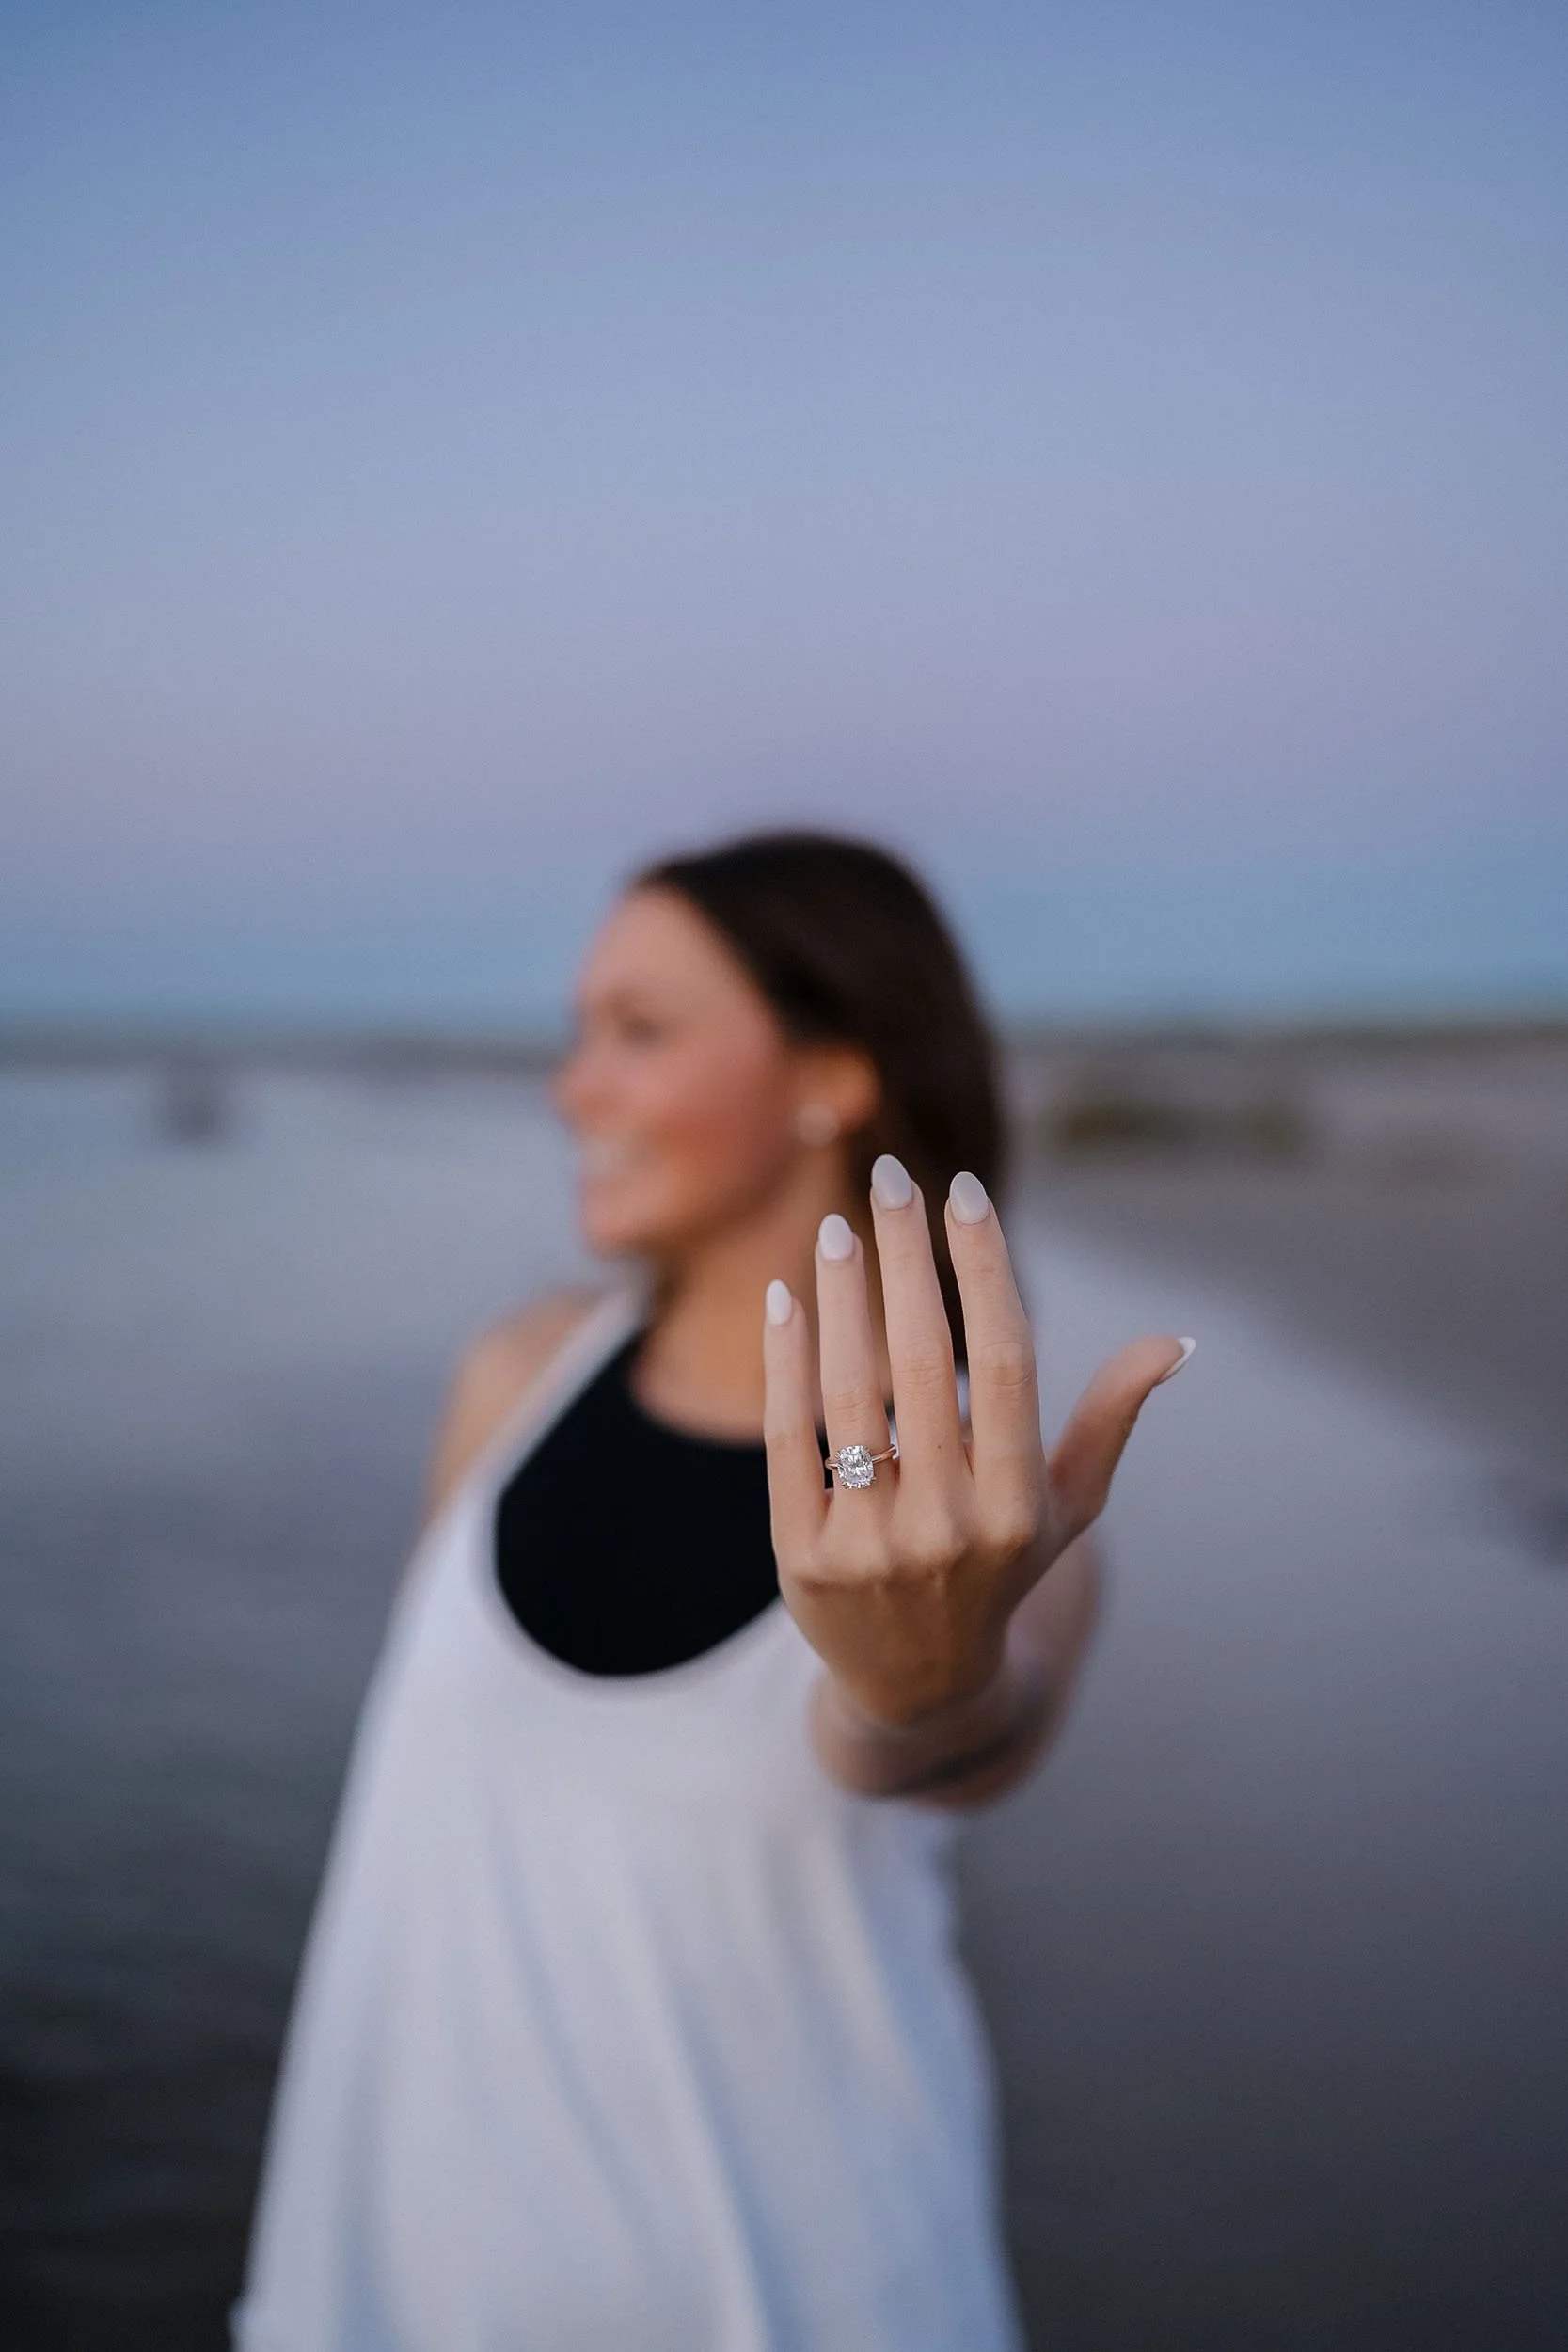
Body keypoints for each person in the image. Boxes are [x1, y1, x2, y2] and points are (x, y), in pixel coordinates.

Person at [233, 831, 1193, 2352]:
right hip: (387, 2287)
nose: (572, 1088)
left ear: (831, 1073)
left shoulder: (980, 1522)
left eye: (640, 1030)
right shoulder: (515, 1380)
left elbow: (951, 1737)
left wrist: (917, 1680)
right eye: (576, 1033)